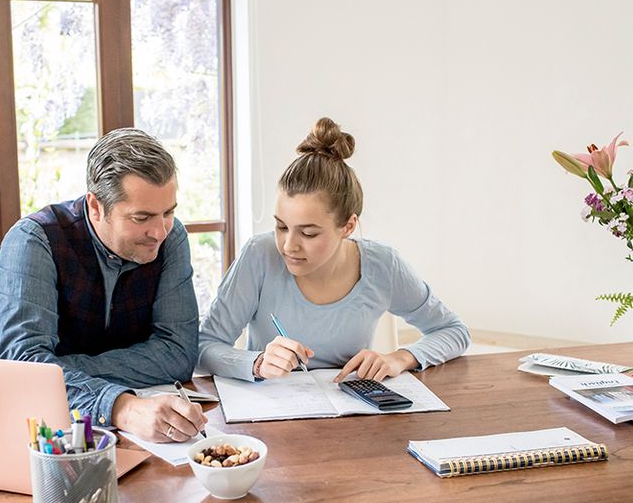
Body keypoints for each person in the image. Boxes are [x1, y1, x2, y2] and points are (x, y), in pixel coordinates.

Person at [198, 117, 469, 383]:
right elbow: (205, 348)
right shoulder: (259, 255)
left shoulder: (383, 265)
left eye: (309, 233)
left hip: (351, 414)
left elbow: (453, 331)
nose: (289, 245)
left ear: (348, 226)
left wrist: (400, 357)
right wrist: (256, 364)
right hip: (270, 416)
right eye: (281, 227)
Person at [0, 127, 206, 442]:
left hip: (142, 436)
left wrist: (61, 372)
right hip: (40, 435)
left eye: (168, 212)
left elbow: (178, 353)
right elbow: (23, 370)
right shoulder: (34, 242)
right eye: (141, 218)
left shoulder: (171, 238)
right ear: (95, 206)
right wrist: (121, 406)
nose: (159, 232)